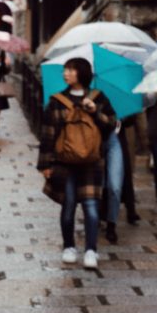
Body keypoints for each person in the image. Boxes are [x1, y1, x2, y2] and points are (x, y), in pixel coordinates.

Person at [38, 57, 117, 270]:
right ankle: (69, 246)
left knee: (92, 207)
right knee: (69, 205)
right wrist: (45, 165)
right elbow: (47, 135)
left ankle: (91, 250)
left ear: (81, 73)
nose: (66, 73)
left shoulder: (98, 98)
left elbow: (111, 125)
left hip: (92, 162)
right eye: (65, 70)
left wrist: (95, 112)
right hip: (64, 163)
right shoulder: (56, 101)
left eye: (71, 70)